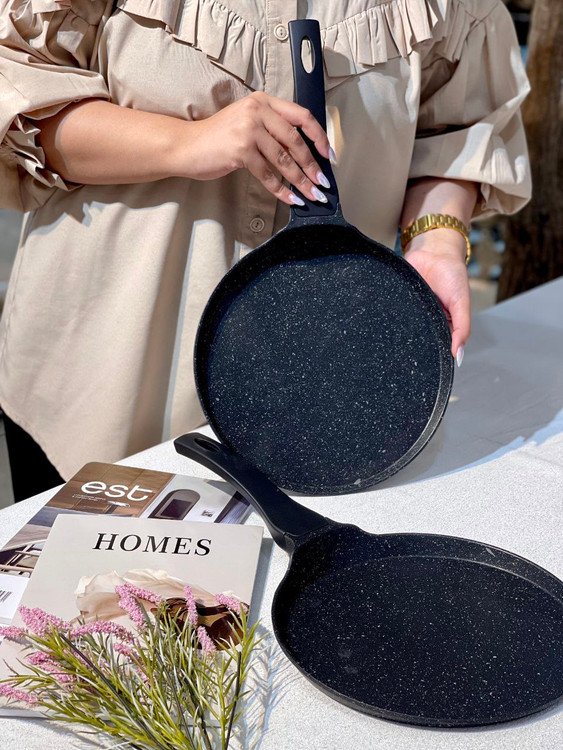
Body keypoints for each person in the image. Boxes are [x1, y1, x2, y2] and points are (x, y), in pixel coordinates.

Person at [0, 0, 531, 500]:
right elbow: (17, 96)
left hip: (324, 400)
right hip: (98, 377)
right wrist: (187, 142)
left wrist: (437, 239)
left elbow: (458, 132)